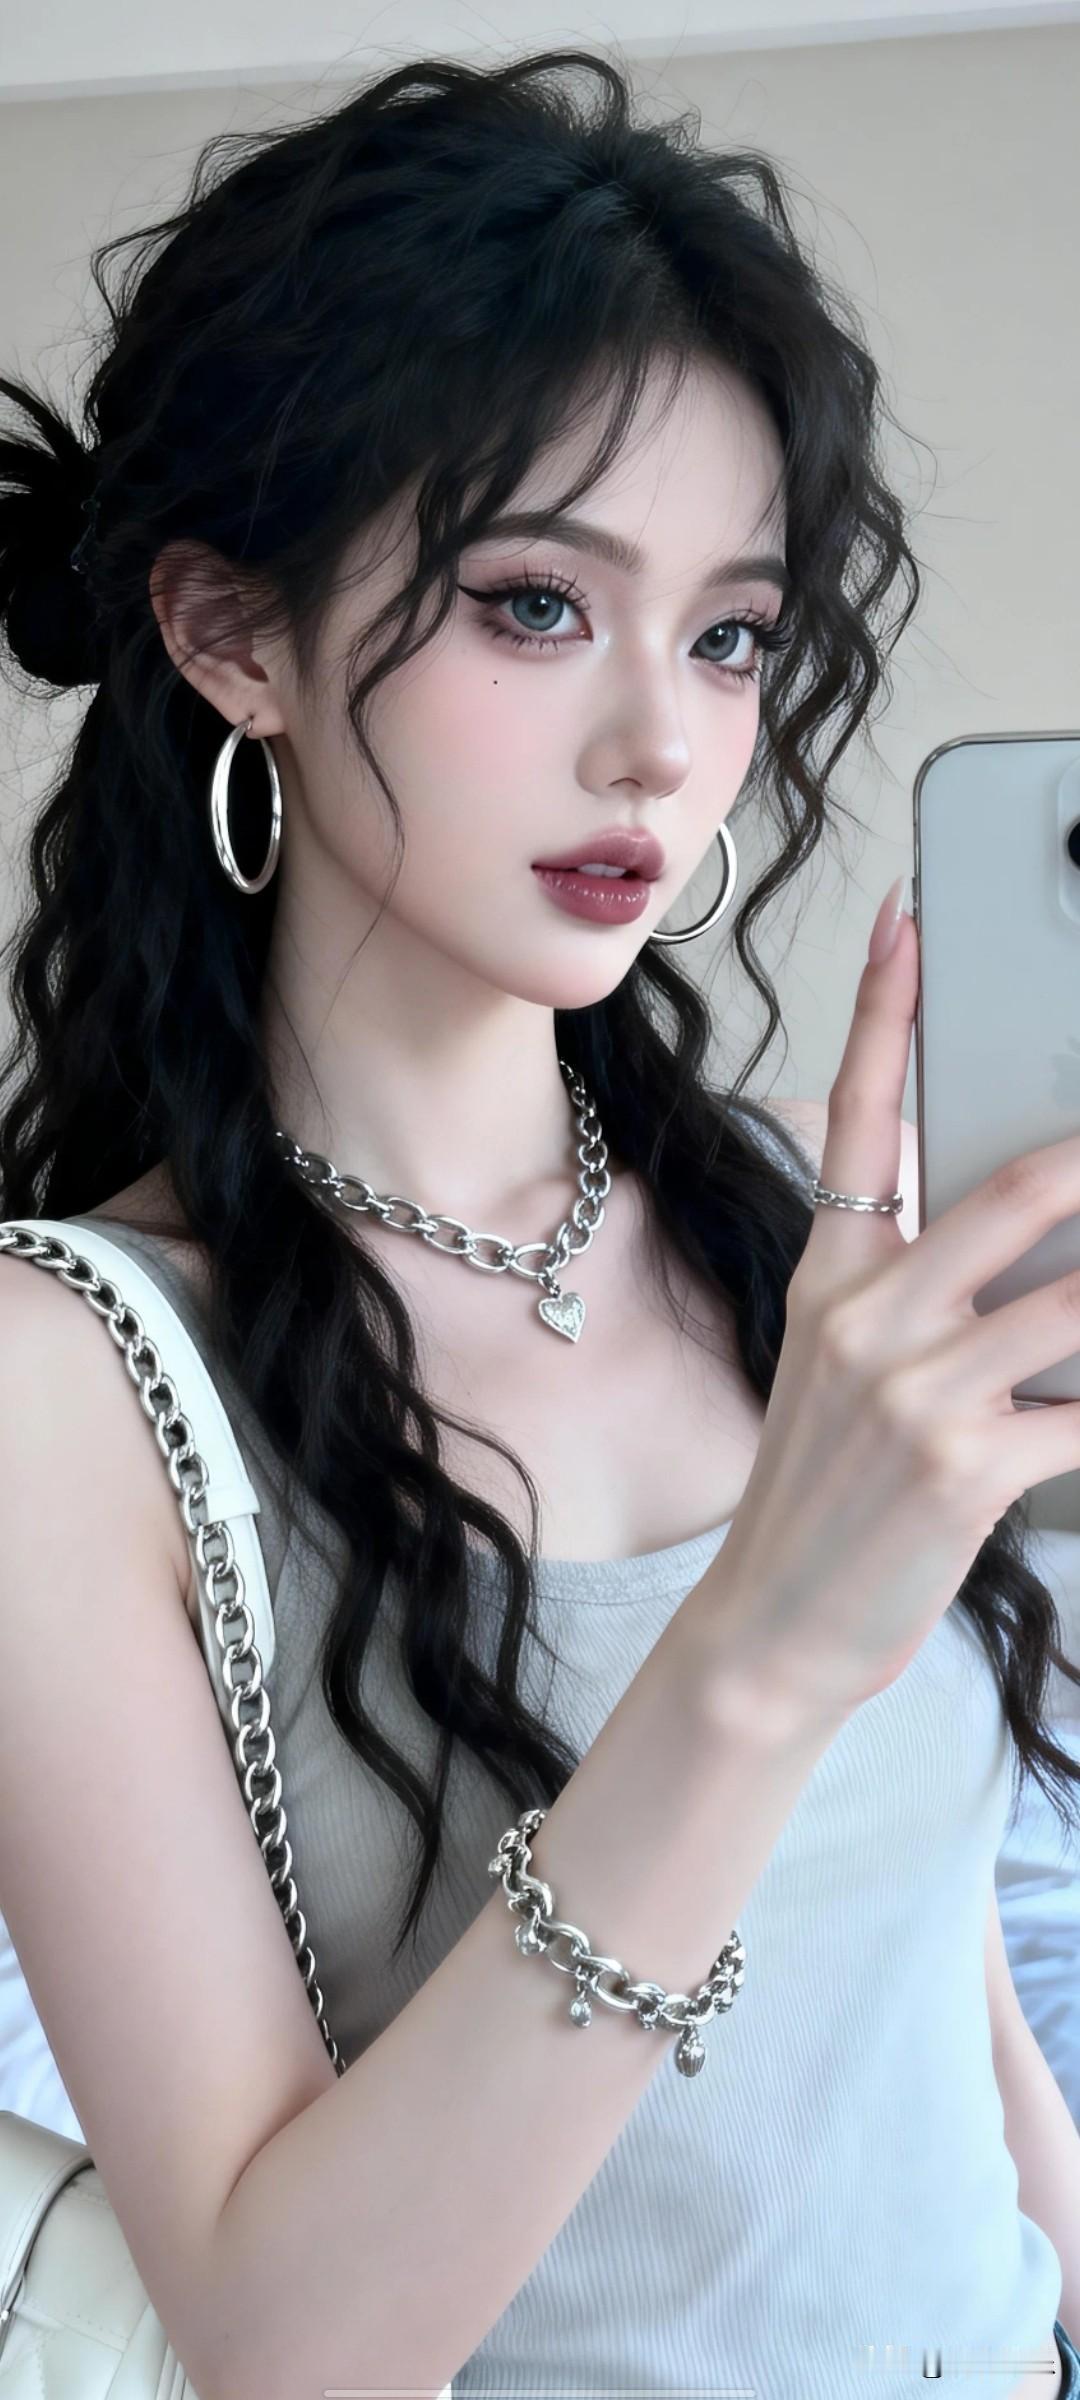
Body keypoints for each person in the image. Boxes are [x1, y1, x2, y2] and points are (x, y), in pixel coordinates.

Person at [0, 45, 1078, 2400]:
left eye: (728, 634)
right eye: (530, 605)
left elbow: (929, 1983)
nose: (663, 751)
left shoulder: (787, 1207)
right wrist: (761, 1649)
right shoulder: (58, 1392)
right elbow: (290, 2343)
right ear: (233, 636)